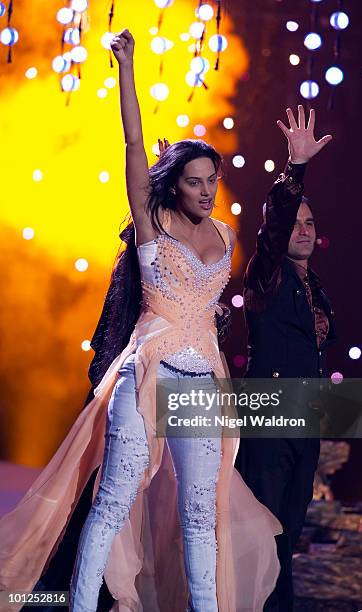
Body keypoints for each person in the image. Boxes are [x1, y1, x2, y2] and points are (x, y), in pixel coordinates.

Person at [0, 29, 282, 612]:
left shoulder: (226, 236)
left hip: (203, 382)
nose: (205, 191)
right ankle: (78, 608)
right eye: (194, 182)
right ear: (172, 185)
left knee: (201, 514)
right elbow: (133, 144)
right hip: (148, 374)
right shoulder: (152, 226)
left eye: (211, 181)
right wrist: (126, 67)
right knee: (113, 500)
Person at [235, 105, 336, 611]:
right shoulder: (266, 274)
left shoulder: (314, 286)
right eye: (294, 223)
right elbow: (275, 225)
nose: (302, 230)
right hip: (269, 417)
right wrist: (295, 169)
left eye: (310, 223)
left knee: (288, 535)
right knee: (263, 532)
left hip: (304, 425)